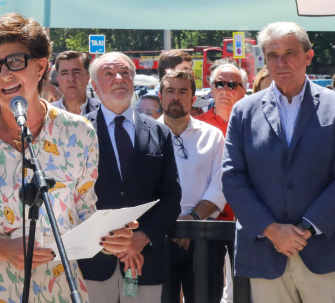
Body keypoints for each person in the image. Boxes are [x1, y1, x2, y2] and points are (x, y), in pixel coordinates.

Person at [0, 13, 133, 302]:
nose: (5, 74)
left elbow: (82, 212)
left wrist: (109, 237)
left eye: (15, 61)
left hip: (60, 292)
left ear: (40, 66)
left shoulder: (79, 133)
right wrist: (4, 249)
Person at [222, 21, 335, 303]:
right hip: (267, 253)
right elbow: (232, 178)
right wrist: (272, 230)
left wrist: (305, 229)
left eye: (289, 53)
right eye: (272, 55)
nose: (280, 63)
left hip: (326, 251)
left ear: (308, 56)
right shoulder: (243, 112)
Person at [79, 51, 182, 303]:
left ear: (133, 80)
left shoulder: (159, 132)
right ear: (94, 86)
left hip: (144, 260)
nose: (119, 78)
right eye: (109, 73)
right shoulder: (78, 131)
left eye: (125, 72)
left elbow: (171, 198)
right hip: (93, 263)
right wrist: (110, 241)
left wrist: (140, 238)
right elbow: (70, 196)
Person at [158, 69, 226, 303]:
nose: (176, 97)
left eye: (183, 92)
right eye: (170, 91)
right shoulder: (145, 135)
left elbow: (220, 184)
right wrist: (171, 223)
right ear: (161, 97)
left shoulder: (213, 136)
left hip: (204, 237)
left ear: (193, 98)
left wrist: (192, 219)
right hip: (159, 236)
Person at [194, 58, 247, 302]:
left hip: (246, 220)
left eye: (232, 84)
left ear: (243, 90)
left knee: (247, 290)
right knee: (207, 289)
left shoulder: (254, 123)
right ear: (211, 88)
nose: (225, 89)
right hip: (207, 220)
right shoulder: (196, 126)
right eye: (219, 84)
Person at [52, 51, 101, 115]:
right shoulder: (47, 113)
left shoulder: (103, 111)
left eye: (77, 72)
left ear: (88, 77)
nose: (71, 79)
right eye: (64, 73)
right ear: (58, 79)